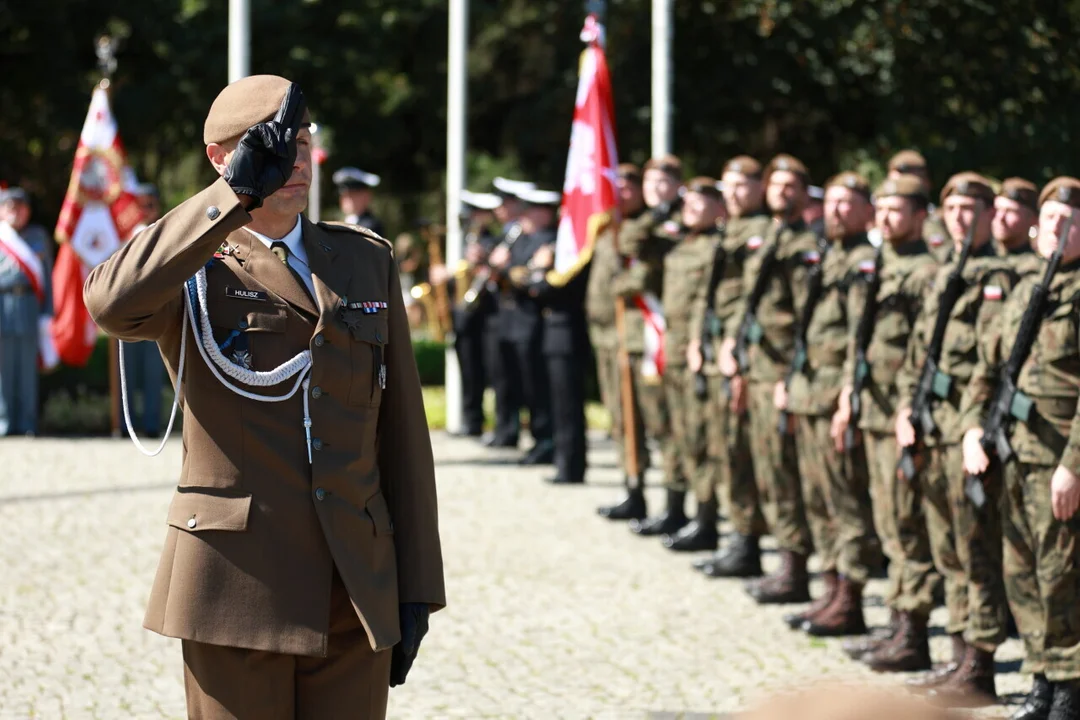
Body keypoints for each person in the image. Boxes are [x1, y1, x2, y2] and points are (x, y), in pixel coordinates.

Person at [83, 75, 445, 718]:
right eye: (273, 147)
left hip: (352, 585)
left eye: (303, 143)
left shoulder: (363, 260)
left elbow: (402, 436)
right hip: (235, 589)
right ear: (223, 158)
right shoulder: (192, 261)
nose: (295, 161)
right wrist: (230, 197)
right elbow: (111, 303)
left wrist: (416, 584)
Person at [960, 176, 1080, 720]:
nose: (1057, 228)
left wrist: (1073, 467)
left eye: (1069, 222)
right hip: (1011, 453)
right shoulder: (1024, 287)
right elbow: (986, 370)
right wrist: (971, 430)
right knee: (1022, 573)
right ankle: (1041, 678)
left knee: (1063, 577)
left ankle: (1070, 687)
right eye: (1051, 220)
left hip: (1058, 459)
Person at [895, 172, 1014, 706]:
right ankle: (958, 654)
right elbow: (920, 351)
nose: (961, 217)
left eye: (972, 208)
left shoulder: (1002, 277)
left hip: (970, 432)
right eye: (953, 207)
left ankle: (980, 665)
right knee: (947, 548)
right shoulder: (945, 273)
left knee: (977, 551)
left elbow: (995, 365)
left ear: (990, 215)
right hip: (933, 426)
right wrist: (906, 408)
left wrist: (976, 429)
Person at [841, 176, 940, 674]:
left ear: (921, 215)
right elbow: (860, 339)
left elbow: (925, 351)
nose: (883, 217)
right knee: (886, 521)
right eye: (879, 208)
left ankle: (914, 632)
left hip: (901, 414)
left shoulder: (927, 272)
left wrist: (911, 411)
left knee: (906, 525)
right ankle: (898, 621)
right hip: (872, 408)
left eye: (895, 210)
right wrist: (848, 394)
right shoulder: (878, 263)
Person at [779, 171, 878, 637]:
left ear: (866, 211)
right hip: (807, 392)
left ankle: (850, 597)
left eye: (847, 203)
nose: (837, 210)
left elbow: (859, 339)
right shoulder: (831, 255)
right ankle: (830, 588)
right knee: (818, 500)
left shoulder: (862, 262)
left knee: (845, 502)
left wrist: (847, 397)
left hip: (833, 396)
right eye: (833, 201)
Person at [722, 154, 817, 606]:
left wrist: (792, 375)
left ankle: (795, 568)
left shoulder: (804, 245)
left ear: (802, 192)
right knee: (762, 467)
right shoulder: (768, 237)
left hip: (781, 370)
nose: (781, 191)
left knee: (783, 473)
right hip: (757, 366)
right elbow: (748, 303)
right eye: (775, 184)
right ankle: (779, 560)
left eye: (790, 186)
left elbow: (806, 321)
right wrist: (736, 353)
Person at [693, 156, 771, 577]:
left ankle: (747, 542)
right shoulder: (728, 231)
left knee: (742, 454)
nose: (735, 194)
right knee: (725, 450)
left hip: (741, 356)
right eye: (730, 186)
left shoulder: (760, 232)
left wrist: (733, 347)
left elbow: (750, 300)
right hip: (718, 352)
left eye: (743, 185)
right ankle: (737, 537)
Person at [491, 187, 558, 465]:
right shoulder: (522, 239)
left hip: (531, 323)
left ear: (545, 214)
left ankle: (545, 440)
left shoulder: (548, 240)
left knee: (537, 387)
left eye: (531, 210)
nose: (525, 215)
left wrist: (505, 268)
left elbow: (524, 276)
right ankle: (530, 436)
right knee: (518, 384)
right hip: (512, 321)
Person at [0, 186, 54, 437]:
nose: (15, 212)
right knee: (4, 370)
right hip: (3, 306)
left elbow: (47, 278)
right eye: (10, 206)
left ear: (27, 211)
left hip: (30, 307)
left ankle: (28, 423)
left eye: (19, 207)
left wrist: (48, 313)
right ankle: (5, 422)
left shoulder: (38, 236)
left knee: (27, 370)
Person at [120, 182, 167, 437]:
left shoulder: (164, 231)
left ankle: (151, 424)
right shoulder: (122, 234)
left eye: (150, 204)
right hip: (127, 311)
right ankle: (126, 424)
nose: (145, 209)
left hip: (156, 309)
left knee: (152, 370)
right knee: (126, 371)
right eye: (140, 205)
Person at [887, 150, 951, 263]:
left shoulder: (944, 218)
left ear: (926, 183)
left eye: (909, 183)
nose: (900, 189)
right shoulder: (876, 220)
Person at [333, 166, 385, 237]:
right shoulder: (341, 222)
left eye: (352, 194)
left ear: (366, 196)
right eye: (344, 195)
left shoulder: (371, 226)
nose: (346, 199)